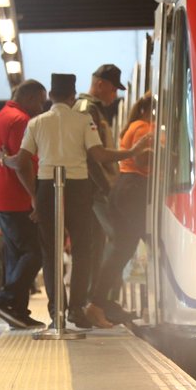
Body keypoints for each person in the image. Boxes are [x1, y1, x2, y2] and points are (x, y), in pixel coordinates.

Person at [13, 74, 149, 328]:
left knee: (50, 251)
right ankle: (76, 309)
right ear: (71, 95)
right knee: (82, 251)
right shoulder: (84, 119)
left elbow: (21, 160)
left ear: (51, 96)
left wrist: (9, 165)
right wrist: (132, 151)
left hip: (46, 188)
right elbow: (98, 154)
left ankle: (57, 314)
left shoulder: (36, 123)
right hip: (78, 187)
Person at [0, 80, 46, 330]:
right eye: (41, 101)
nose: (42, 107)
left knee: (17, 256)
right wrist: (34, 195)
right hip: (15, 199)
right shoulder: (21, 120)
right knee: (36, 251)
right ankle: (4, 300)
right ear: (30, 98)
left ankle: (18, 312)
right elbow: (22, 163)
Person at [89, 92, 154, 326]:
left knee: (123, 248)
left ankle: (99, 304)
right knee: (131, 247)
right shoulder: (143, 127)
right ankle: (97, 304)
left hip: (127, 188)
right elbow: (142, 161)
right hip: (134, 189)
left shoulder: (138, 124)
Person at [74, 64, 124, 313]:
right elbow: (92, 156)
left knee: (98, 246)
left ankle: (95, 302)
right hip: (96, 190)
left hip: (94, 190)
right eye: (113, 89)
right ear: (100, 84)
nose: (114, 95)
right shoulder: (86, 109)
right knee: (120, 239)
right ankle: (99, 301)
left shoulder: (93, 110)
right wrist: (107, 188)